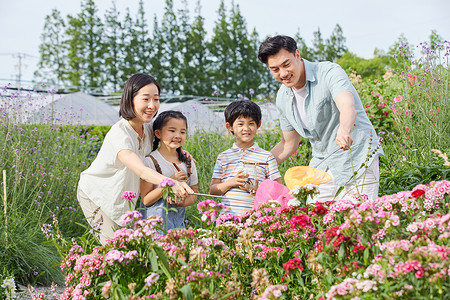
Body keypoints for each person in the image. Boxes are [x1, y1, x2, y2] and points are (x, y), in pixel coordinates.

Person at [258, 35, 383, 202]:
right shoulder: (283, 96)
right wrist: (257, 165)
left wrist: (344, 130)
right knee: (311, 218)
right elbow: (288, 144)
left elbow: (347, 105)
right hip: (321, 166)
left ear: (297, 55)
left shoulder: (328, 72)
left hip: (356, 160)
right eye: (275, 69)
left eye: (286, 64)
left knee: (356, 221)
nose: (283, 73)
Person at [77, 73, 193, 244]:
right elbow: (141, 170)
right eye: (145, 99)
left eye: (156, 99)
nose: (152, 105)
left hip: (124, 201)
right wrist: (172, 183)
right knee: (115, 251)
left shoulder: (147, 129)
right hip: (97, 195)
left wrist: (181, 153)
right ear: (130, 99)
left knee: (132, 253)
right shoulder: (120, 133)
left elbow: (167, 141)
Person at [210, 100, 282, 216]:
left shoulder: (267, 157)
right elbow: (213, 191)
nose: (246, 128)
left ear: (258, 125)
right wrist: (231, 182)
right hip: (228, 220)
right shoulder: (224, 157)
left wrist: (257, 190)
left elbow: (278, 191)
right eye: (240, 124)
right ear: (229, 126)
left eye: (251, 123)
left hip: (256, 220)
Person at [140, 110, 198, 232]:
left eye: (182, 132)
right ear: (158, 133)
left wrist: (182, 202)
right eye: (172, 131)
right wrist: (169, 183)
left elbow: (194, 195)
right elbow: (146, 200)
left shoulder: (188, 163)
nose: (178, 135)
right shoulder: (150, 161)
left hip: (178, 228)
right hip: (154, 230)